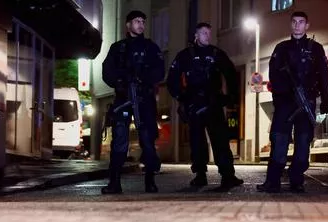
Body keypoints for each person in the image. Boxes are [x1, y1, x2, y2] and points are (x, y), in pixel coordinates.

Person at [257, 11, 328, 193]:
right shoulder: (281, 48)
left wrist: (326, 99)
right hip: (286, 103)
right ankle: (272, 181)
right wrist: (284, 94)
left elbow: (323, 75)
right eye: (294, 22)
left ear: (307, 26)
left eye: (301, 22)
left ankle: (296, 179)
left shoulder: (316, 48)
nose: (297, 25)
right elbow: (274, 74)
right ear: (291, 25)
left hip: (307, 102)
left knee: (303, 142)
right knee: (279, 141)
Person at [166, 22, 243, 191]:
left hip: (213, 103)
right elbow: (172, 79)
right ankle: (200, 175)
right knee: (197, 142)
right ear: (196, 35)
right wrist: (182, 98)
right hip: (194, 103)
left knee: (221, 140)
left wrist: (230, 97)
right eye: (203, 33)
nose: (207, 36)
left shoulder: (216, 53)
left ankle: (228, 175)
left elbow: (231, 74)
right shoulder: (185, 55)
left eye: (209, 33)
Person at [101, 10, 164, 194]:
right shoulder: (118, 48)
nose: (141, 24)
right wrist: (120, 82)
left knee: (147, 140)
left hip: (144, 100)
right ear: (128, 25)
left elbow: (160, 71)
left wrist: (143, 79)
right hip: (123, 99)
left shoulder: (150, 47)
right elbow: (107, 72)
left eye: (143, 21)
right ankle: (114, 182)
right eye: (137, 21)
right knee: (119, 141)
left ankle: (150, 180)